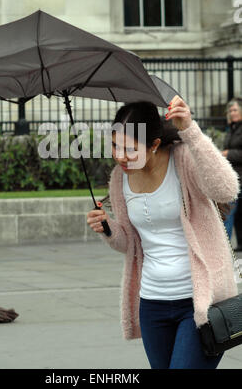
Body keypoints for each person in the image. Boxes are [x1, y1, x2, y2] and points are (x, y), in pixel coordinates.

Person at [87, 95, 240, 369]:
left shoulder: (183, 160)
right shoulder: (120, 178)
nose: (120, 156)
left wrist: (190, 131)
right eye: (114, 145)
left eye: (130, 149)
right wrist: (108, 228)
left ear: (155, 145)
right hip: (152, 303)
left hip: (198, 302)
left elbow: (227, 189)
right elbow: (130, 243)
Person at [222, 97, 242, 250]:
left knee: (230, 213)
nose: (232, 112)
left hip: (240, 176)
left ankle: (225, 247)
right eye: (230, 110)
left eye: (235, 109)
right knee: (234, 214)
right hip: (233, 178)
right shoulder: (232, 128)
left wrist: (229, 153)